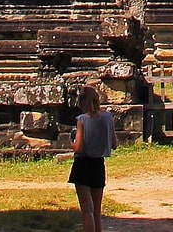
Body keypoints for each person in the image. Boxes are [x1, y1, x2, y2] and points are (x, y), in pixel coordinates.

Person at [69, 82, 114, 232]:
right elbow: (114, 143)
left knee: (87, 210)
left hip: (83, 165)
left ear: (83, 102)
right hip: (98, 165)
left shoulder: (82, 119)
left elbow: (79, 147)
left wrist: (71, 142)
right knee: (96, 212)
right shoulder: (108, 117)